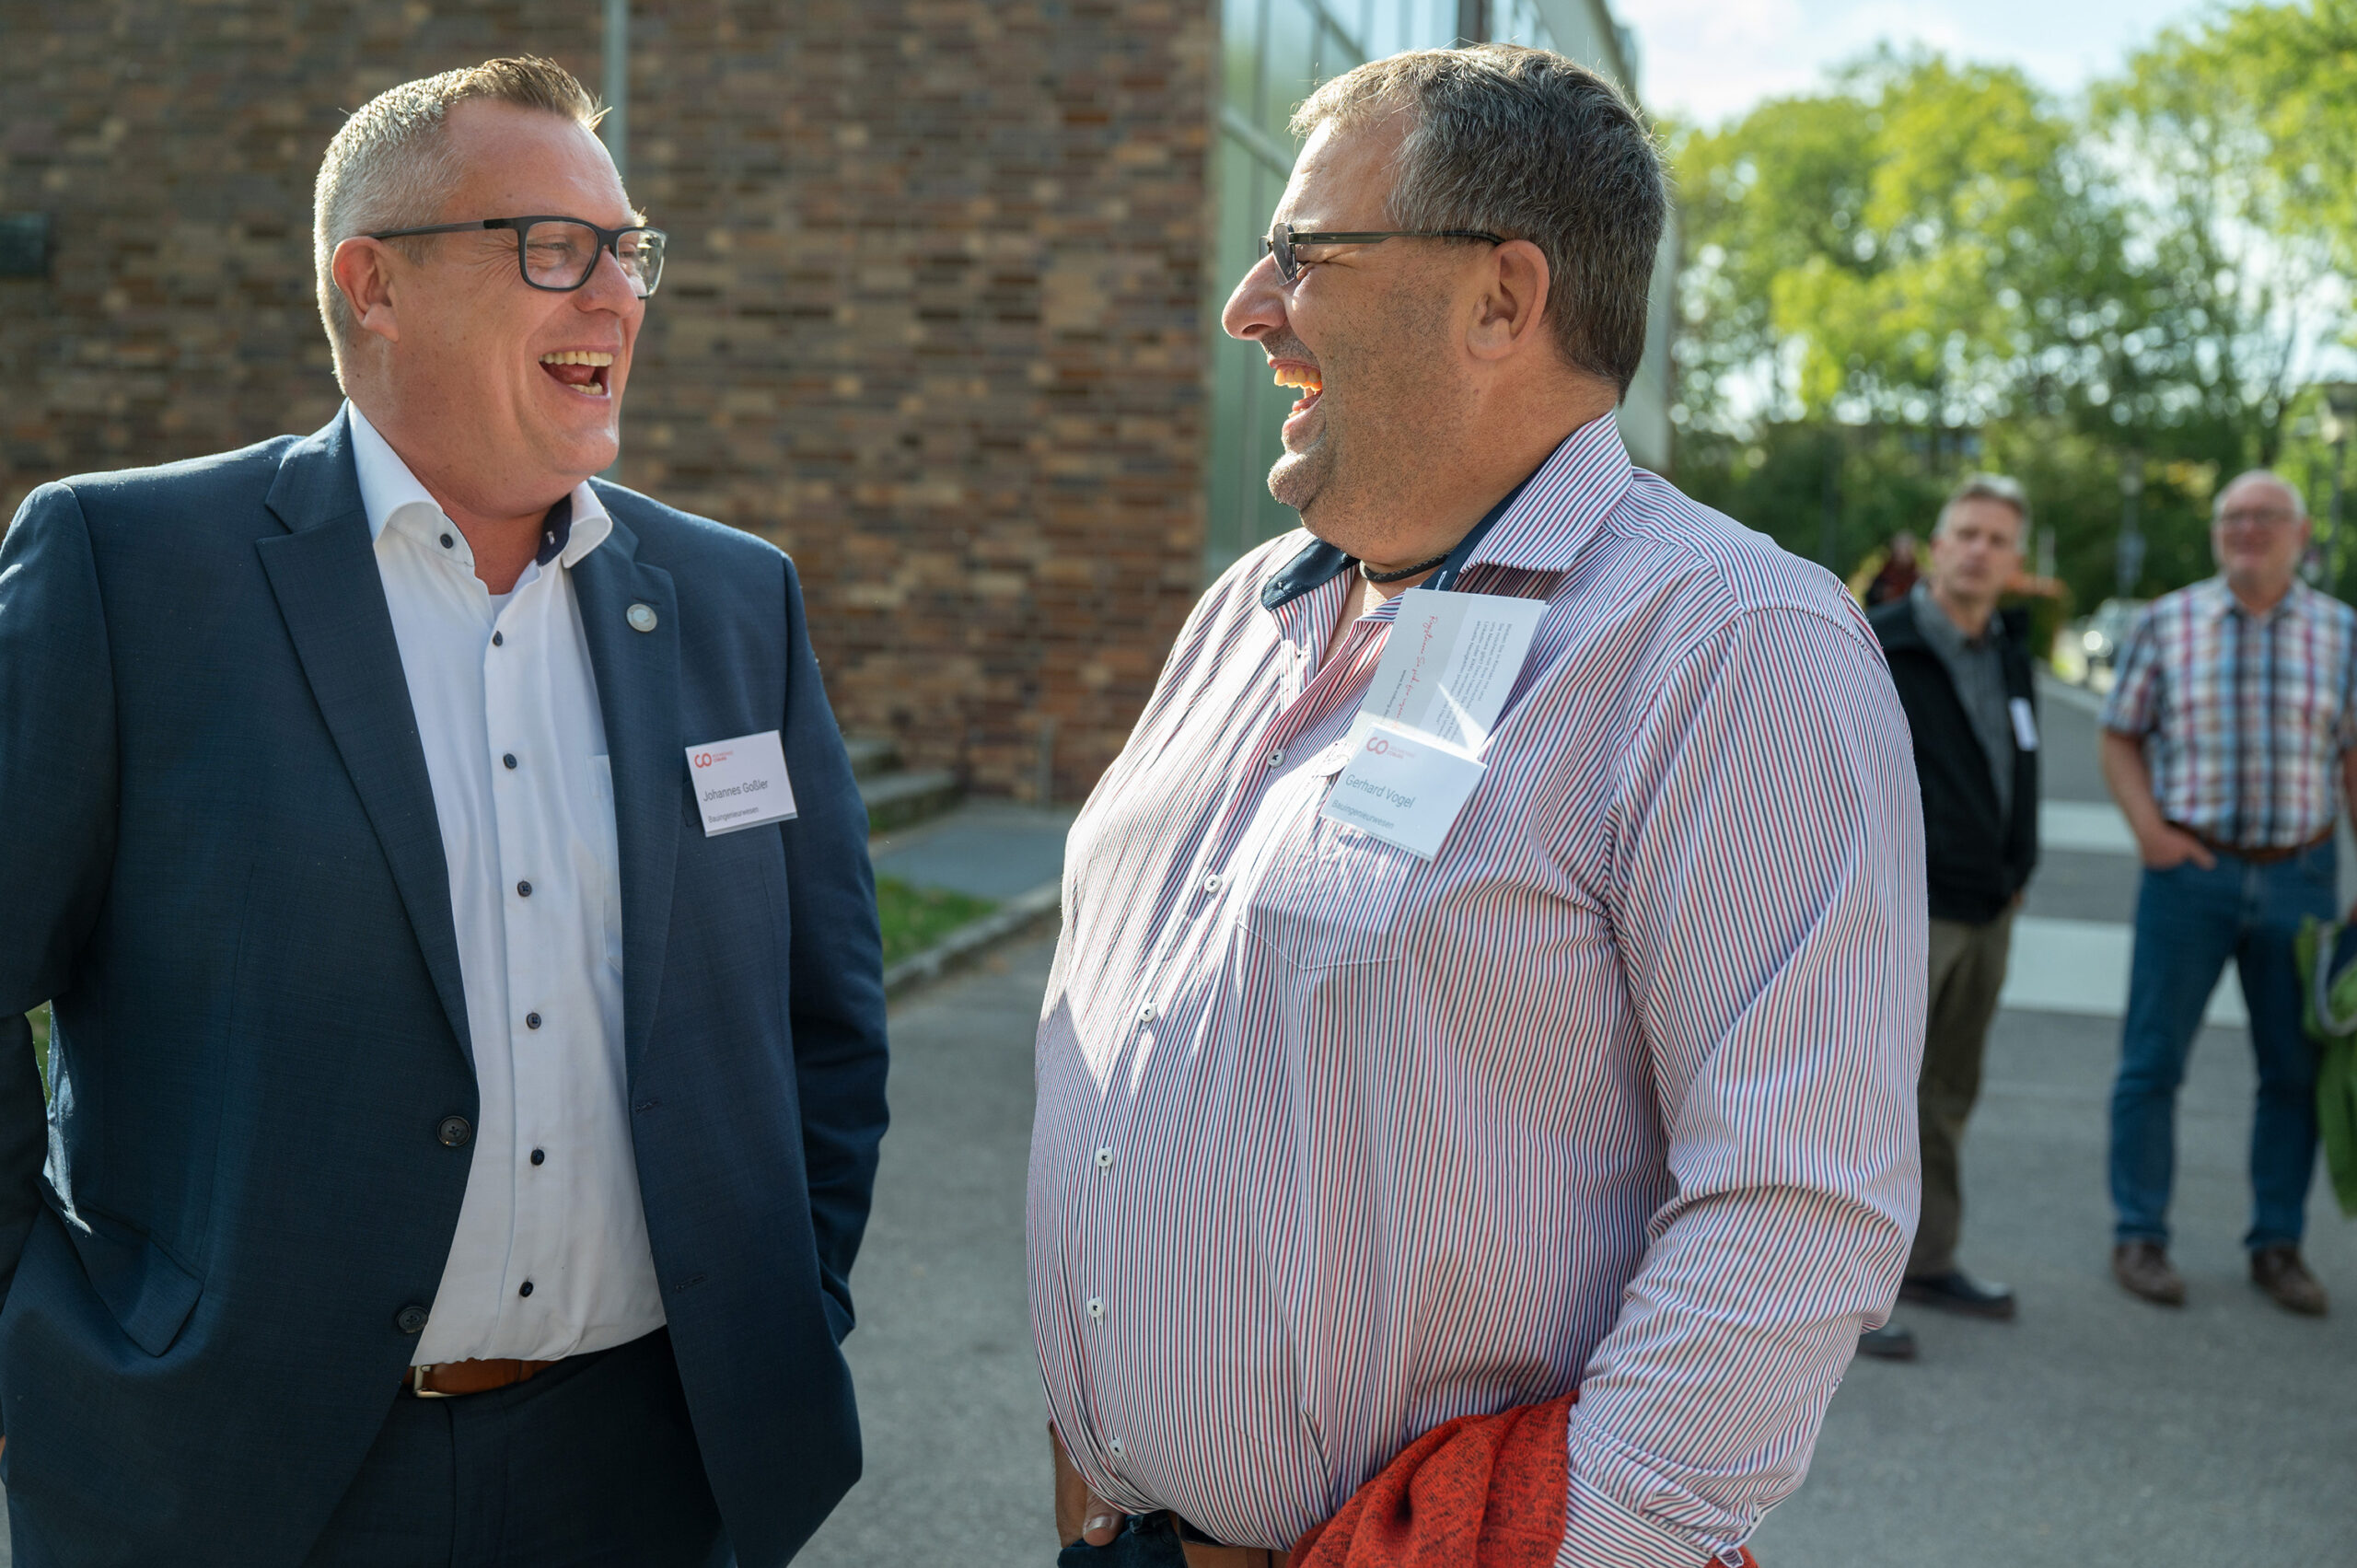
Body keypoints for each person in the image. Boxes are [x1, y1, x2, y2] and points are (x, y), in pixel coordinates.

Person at [1029, 45, 1922, 1568]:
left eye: (1304, 255)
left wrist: (1579, 1536)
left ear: (1505, 298)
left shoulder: (1725, 645)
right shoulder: (1254, 607)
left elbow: (1796, 1201)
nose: (1249, 305)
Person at [0, 58, 888, 1565]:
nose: (615, 296)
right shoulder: (130, 571)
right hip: (240, 1475)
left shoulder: (734, 598)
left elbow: (822, 1013)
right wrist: (38, 1347)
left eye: (632, 252)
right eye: (557, 247)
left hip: (649, 1470)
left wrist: (786, 1298)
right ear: (376, 285)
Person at [2100, 470, 2351, 1318]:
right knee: (2151, 1062)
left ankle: (2277, 1243)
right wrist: (2151, 834)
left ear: (2301, 533)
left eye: (2265, 517)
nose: (2247, 529)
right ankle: (2140, 1234)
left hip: (2301, 874)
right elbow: (2120, 736)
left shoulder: (2343, 633)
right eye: (2232, 516)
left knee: (2293, 1072)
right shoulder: (2167, 623)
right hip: (2189, 873)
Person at [1857, 477, 2039, 1362]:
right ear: (1936, 545)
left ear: (2015, 560)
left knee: (1948, 1095)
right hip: (1907, 907)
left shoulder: (2008, 644)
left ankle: (1926, 1261)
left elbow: (2020, 762)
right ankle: (1839, 1301)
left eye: (1997, 539)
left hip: (1989, 906)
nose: (1978, 550)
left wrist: (2020, 866)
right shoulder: (1880, 643)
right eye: (1965, 532)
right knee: (1865, 1101)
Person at [1863, 531, 1921, 608]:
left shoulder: (1917, 576)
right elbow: (1870, 597)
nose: (1903, 556)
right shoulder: (1885, 574)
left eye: (1906, 551)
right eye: (1900, 551)